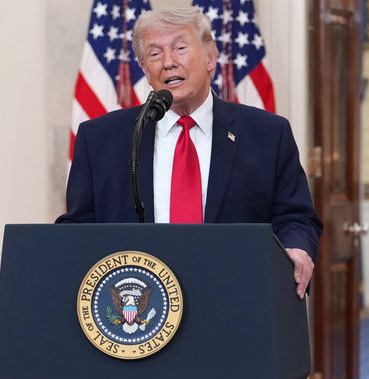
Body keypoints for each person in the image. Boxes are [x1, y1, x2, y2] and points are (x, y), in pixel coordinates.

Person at [57, 7, 322, 299]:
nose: (168, 62)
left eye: (180, 48)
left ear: (210, 59)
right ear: (145, 70)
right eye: (155, 54)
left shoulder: (268, 135)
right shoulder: (100, 139)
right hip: (138, 313)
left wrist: (296, 247)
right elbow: (78, 230)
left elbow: (295, 218)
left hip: (237, 302)